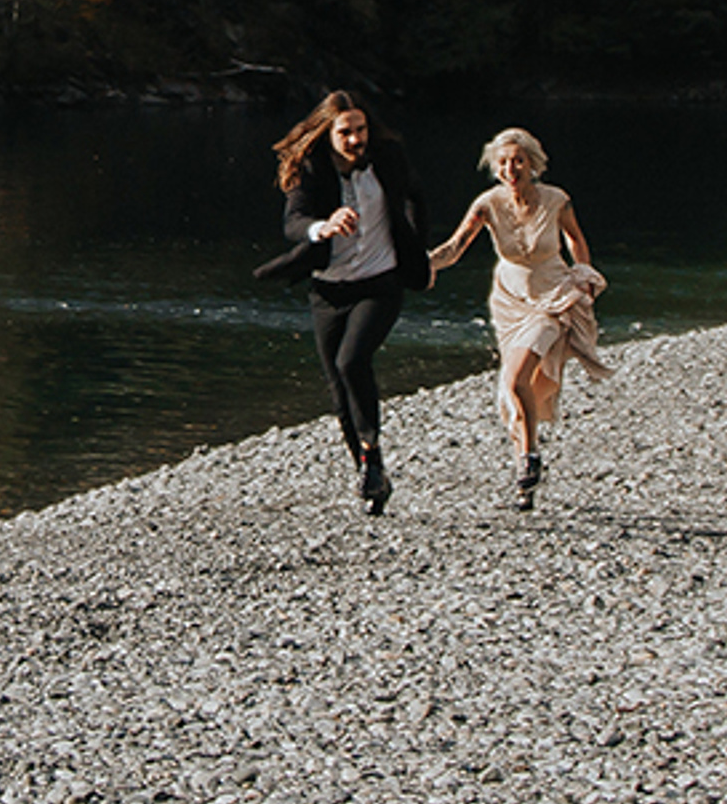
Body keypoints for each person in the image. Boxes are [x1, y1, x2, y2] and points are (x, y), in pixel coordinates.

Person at [259, 89, 432, 514]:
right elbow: (294, 223)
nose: (356, 139)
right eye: (346, 132)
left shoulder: (386, 157)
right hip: (328, 288)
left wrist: (417, 249)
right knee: (339, 392)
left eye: (360, 129)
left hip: (380, 282)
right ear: (328, 133)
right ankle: (371, 473)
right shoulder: (312, 170)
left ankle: (371, 450)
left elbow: (415, 195)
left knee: (351, 361)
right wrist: (324, 226)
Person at [428, 126, 611, 509]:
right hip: (510, 301)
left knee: (517, 377)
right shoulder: (487, 204)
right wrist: (421, 265)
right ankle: (524, 473)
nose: (511, 168)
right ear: (495, 168)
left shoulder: (556, 199)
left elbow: (576, 239)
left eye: (518, 161)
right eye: (503, 162)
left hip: (554, 297)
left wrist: (584, 276)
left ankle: (529, 456)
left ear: (532, 164)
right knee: (510, 388)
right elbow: (456, 246)